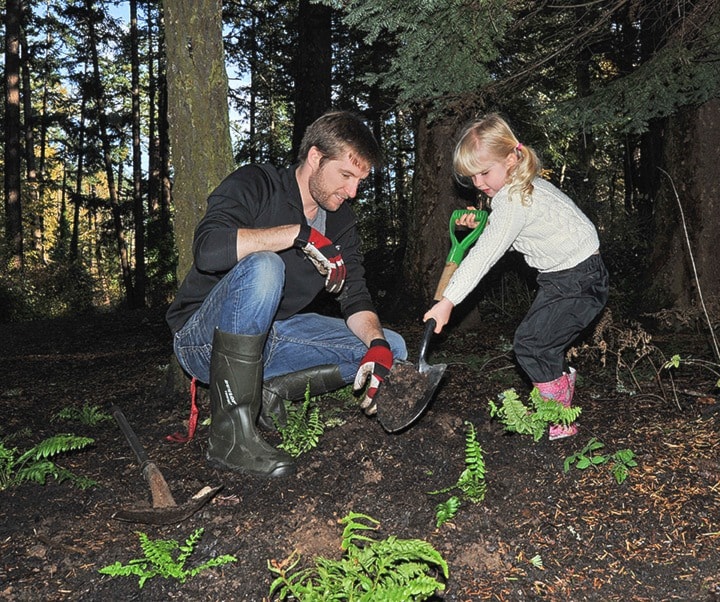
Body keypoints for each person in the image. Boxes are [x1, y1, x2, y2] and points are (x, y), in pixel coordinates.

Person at [166, 110, 407, 477]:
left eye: (360, 180)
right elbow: (208, 249)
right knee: (266, 265)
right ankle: (230, 437)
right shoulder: (257, 183)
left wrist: (375, 343)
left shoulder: (341, 221)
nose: (353, 191)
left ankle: (270, 390)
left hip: (276, 338)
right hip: (205, 340)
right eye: (345, 175)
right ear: (315, 157)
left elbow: (355, 296)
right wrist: (300, 234)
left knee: (391, 347)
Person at [424, 114, 609, 440]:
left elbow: (484, 256)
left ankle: (560, 420)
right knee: (541, 343)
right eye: (472, 176)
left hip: (575, 279)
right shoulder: (525, 185)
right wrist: (481, 222)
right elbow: (512, 230)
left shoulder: (511, 200)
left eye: (485, 172)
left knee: (530, 345)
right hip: (576, 275)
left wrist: (448, 301)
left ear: (511, 159)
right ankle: (560, 394)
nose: (479, 183)